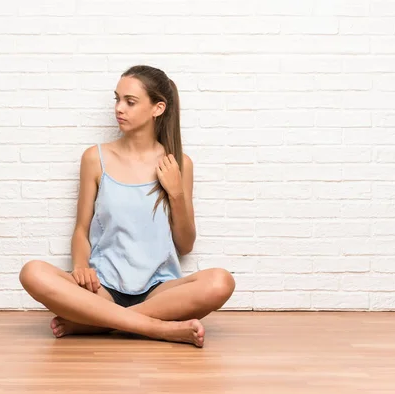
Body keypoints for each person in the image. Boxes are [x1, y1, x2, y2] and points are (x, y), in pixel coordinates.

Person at [19, 65, 235, 347]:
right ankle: (158, 329)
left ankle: (98, 324)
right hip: (102, 287)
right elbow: (81, 229)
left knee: (221, 282)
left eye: (130, 102)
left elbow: (184, 245)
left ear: (157, 108)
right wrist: (81, 265)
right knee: (32, 272)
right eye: (117, 99)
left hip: (159, 291)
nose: (119, 108)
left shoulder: (179, 164)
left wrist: (176, 194)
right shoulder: (95, 158)